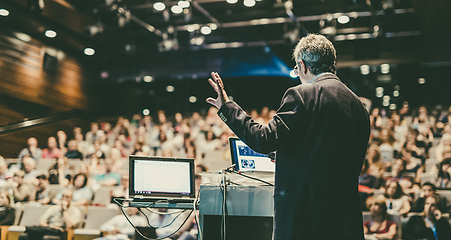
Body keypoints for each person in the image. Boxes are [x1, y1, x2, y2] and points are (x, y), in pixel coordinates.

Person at [206, 34, 370, 239]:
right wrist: (288, 155)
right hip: (345, 221)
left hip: (305, 219)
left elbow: (263, 139)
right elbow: (331, 157)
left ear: (302, 65)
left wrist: (227, 107)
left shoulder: (302, 94)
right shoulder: (359, 107)